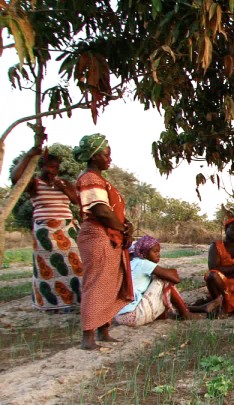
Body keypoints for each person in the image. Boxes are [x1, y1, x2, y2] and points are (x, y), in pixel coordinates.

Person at [74, 134, 134, 350]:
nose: (109, 157)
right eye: (105, 154)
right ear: (93, 155)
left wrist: (125, 226)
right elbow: (101, 210)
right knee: (97, 283)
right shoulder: (90, 179)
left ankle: (103, 330)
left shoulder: (99, 179)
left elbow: (111, 212)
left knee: (109, 283)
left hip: (108, 235)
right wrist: (122, 228)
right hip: (98, 236)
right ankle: (88, 337)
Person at [11, 146, 82, 311]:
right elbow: (16, 179)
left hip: (66, 231)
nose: (53, 170)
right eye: (50, 167)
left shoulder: (64, 182)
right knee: (48, 268)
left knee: (74, 265)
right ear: (41, 166)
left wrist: (64, 187)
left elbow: (76, 200)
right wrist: (29, 155)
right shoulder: (34, 183)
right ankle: (53, 304)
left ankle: (74, 302)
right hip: (45, 233)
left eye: (56, 167)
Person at [114, 236, 221, 326]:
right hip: (132, 316)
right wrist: (171, 272)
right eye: (155, 251)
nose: (158, 254)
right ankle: (186, 314)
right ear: (144, 253)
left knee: (160, 283)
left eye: (159, 252)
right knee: (164, 280)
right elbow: (175, 279)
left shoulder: (134, 262)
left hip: (120, 316)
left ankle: (195, 309)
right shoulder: (143, 263)